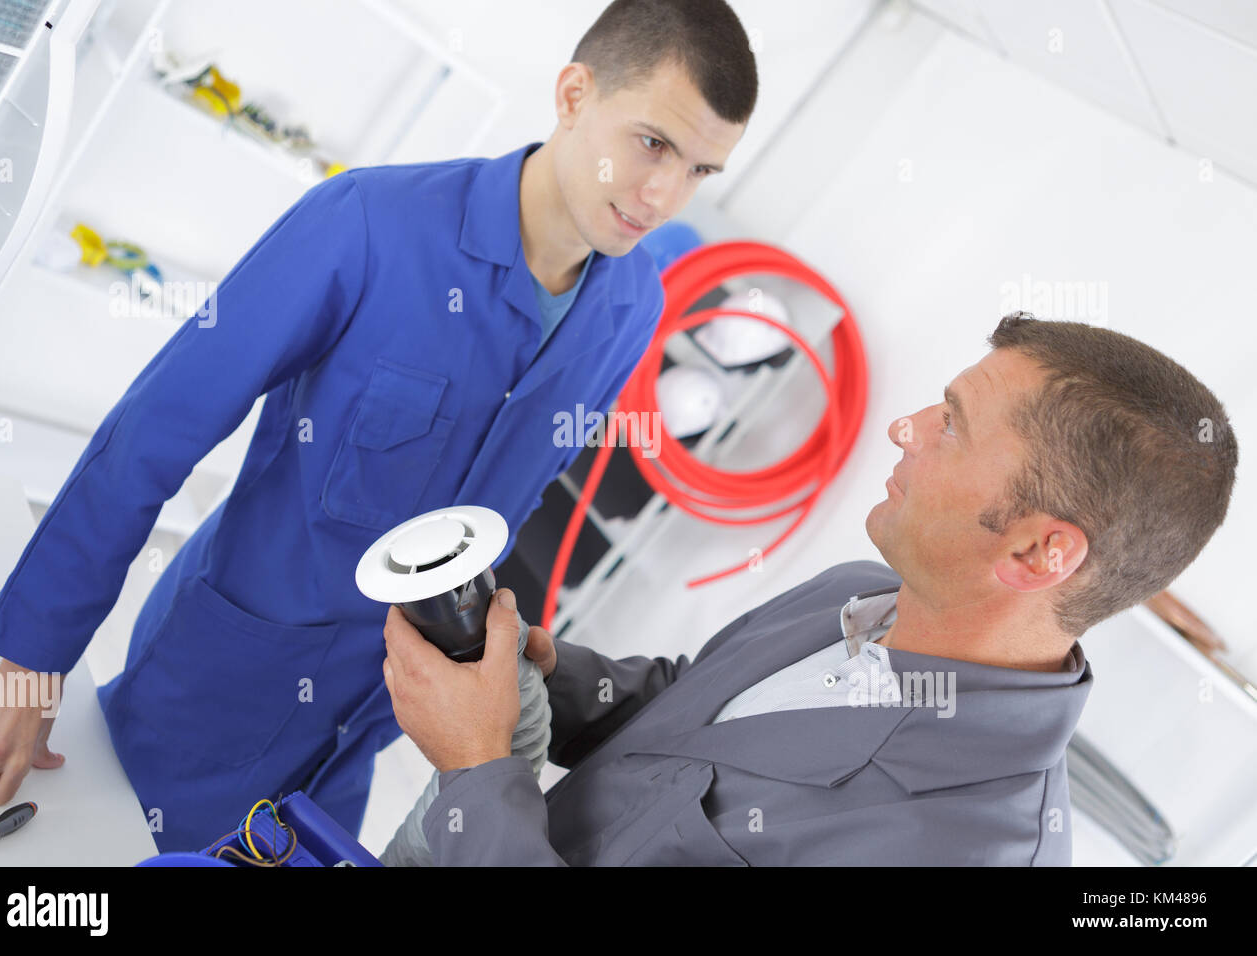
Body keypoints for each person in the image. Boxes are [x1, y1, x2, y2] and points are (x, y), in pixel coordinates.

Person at [0, 0, 757, 852]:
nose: (664, 195)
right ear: (572, 94)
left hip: (365, 731)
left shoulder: (632, 307)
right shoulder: (369, 224)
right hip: (215, 690)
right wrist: (32, 664)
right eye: (652, 143)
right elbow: (157, 429)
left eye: (701, 171)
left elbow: (498, 512)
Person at [380, 313, 1239, 865]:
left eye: (954, 427)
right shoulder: (862, 595)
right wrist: (541, 672)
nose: (905, 429)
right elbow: (685, 716)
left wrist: (479, 768)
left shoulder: (954, 848)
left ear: (1040, 550)